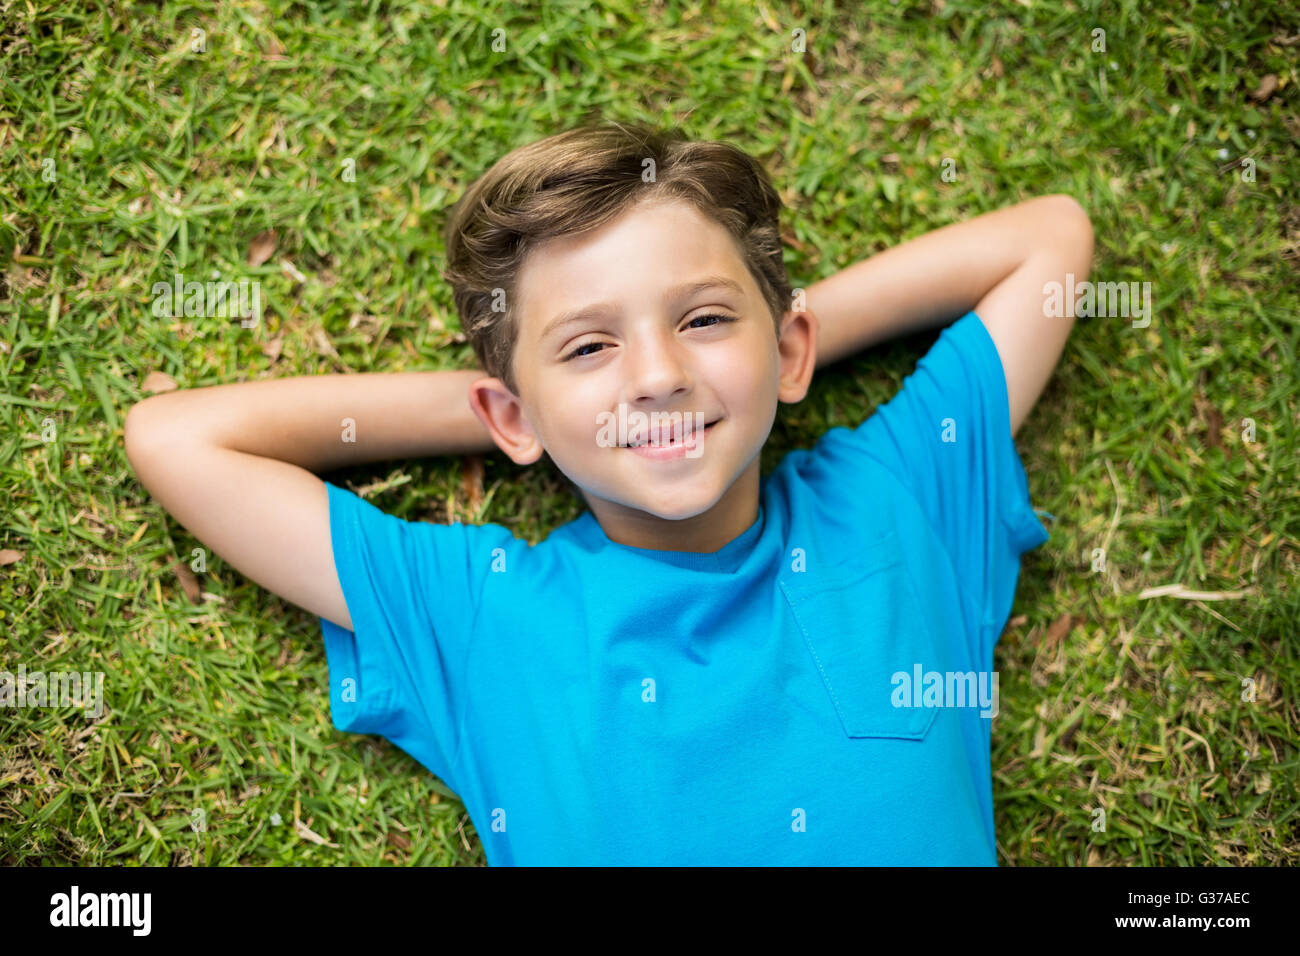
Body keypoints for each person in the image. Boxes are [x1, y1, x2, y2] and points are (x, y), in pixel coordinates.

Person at [125, 121, 1094, 864]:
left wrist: (758, 347)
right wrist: (530, 407)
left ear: (791, 346)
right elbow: (177, 436)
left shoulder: (894, 499)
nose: (657, 373)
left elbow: (1048, 242)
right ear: (509, 418)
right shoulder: (481, 615)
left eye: (702, 319)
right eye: (589, 345)